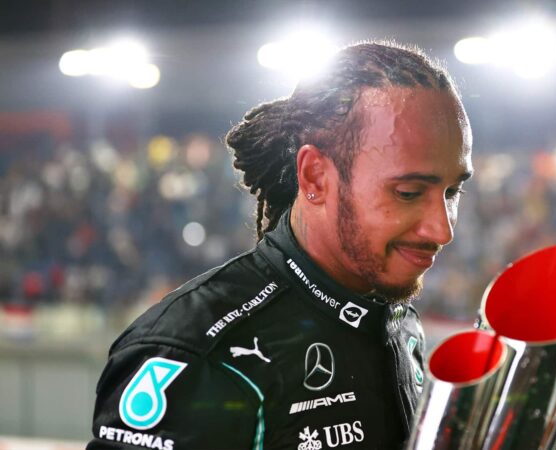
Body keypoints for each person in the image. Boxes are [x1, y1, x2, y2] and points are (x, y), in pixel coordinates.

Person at [88, 41, 473, 450]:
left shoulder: (395, 318)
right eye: (410, 193)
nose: (442, 230)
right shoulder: (195, 355)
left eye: (452, 192)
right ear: (315, 177)